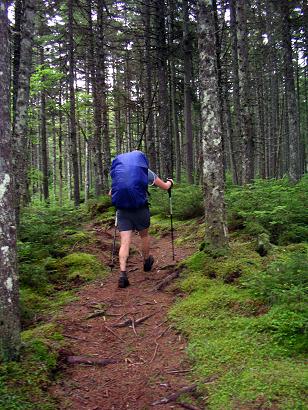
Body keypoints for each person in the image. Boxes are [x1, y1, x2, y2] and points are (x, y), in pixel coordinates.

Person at [110, 151, 173, 288]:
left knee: (125, 241)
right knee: (144, 236)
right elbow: (164, 186)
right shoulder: (145, 172)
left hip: (123, 210)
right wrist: (170, 183)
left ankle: (122, 273)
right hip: (140, 209)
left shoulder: (119, 172)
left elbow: (111, 192)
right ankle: (146, 261)